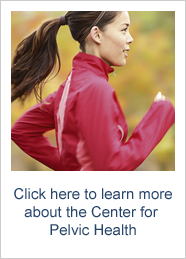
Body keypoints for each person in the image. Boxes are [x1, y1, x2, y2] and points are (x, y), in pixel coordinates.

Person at [11, 11, 175, 171]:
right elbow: (110, 166)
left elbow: (22, 132)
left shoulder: (71, 87)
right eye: (124, 29)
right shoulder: (94, 88)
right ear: (97, 35)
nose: (130, 39)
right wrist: (161, 114)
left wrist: (73, 167)